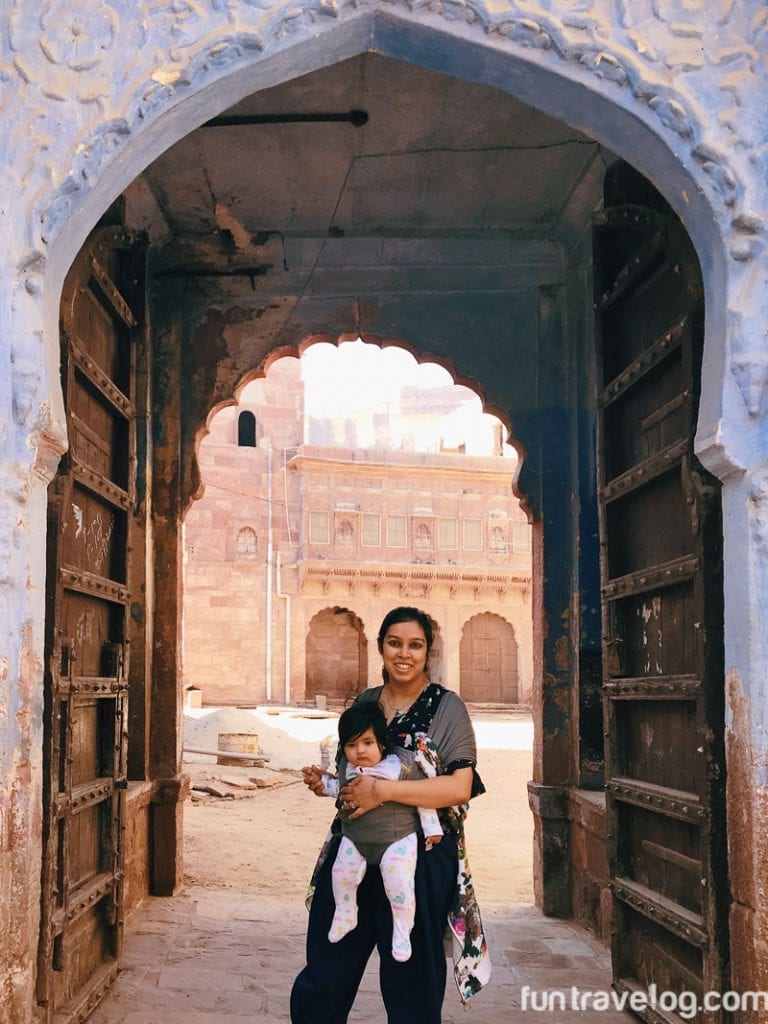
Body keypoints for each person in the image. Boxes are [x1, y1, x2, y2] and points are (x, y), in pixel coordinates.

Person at [291, 606, 490, 1024]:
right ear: (380, 647)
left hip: (419, 857)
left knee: (412, 979)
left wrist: (383, 791)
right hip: (356, 849)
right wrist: (328, 782)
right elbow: (353, 768)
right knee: (327, 968)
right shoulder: (366, 703)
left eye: (415, 645)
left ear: (428, 652)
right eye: (394, 643)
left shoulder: (447, 708)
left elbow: (459, 787)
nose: (404, 654)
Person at [307, 701, 443, 961]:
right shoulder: (348, 769)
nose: (360, 751)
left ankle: (403, 931)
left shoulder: (399, 767)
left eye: (367, 743)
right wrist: (320, 783)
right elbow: (339, 789)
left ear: (381, 743)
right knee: (341, 874)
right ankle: (346, 915)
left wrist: (431, 828)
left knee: (399, 885)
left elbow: (423, 798)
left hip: (396, 839)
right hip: (356, 839)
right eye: (352, 745)